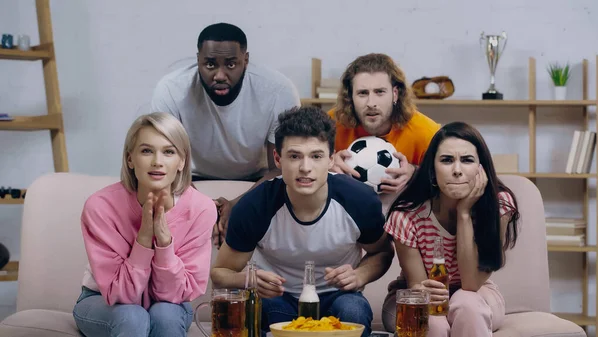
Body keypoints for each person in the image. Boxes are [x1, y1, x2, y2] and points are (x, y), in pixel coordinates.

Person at [210, 106, 394, 337]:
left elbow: (383, 252)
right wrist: (247, 279)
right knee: (263, 309)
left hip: (338, 296)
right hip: (278, 298)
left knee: (354, 310)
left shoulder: (359, 200)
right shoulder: (255, 206)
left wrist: (360, 275)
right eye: (294, 156)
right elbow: (220, 273)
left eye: (316, 156)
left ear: (330, 159)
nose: (305, 168)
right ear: (278, 158)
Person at [151, 22, 300, 247]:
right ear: (198, 59)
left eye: (231, 64)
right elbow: (162, 163)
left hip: (256, 179)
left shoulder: (278, 90)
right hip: (190, 180)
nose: (220, 75)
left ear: (246, 60)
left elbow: (281, 167)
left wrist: (239, 204)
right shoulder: (172, 89)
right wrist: (202, 207)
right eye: (210, 64)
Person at [73, 112, 217, 337]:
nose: (157, 161)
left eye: (169, 152)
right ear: (130, 159)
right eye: (146, 150)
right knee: (132, 317)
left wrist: (164, 242)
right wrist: (143, 238)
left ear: (182, 162)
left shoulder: (202, 209)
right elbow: (121, 295)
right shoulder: (99, 206)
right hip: (102, 300)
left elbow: (177, 294)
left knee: (166, 316)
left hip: (171, 304)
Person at [381, 121, 521, 336]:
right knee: (433, 322)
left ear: (480, 168)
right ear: (432, 170)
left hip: (476, 292)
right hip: (418, 294)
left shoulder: (499, 206)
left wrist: (464, 214)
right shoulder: (407, 216)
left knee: (467, 305)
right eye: (447, 160)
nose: (457, 170)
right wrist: (422, 291)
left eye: (467, 160)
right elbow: (418, 285)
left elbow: (471, 283)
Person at [329, 53, 440, 195]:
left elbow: (445, 178)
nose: (371, 103)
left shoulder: (426, 132)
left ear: (395, 94)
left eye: (380, 92)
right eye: (363, 93)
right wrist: (327, 165)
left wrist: (415, 172)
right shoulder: (331, 124)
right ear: (351, 97)